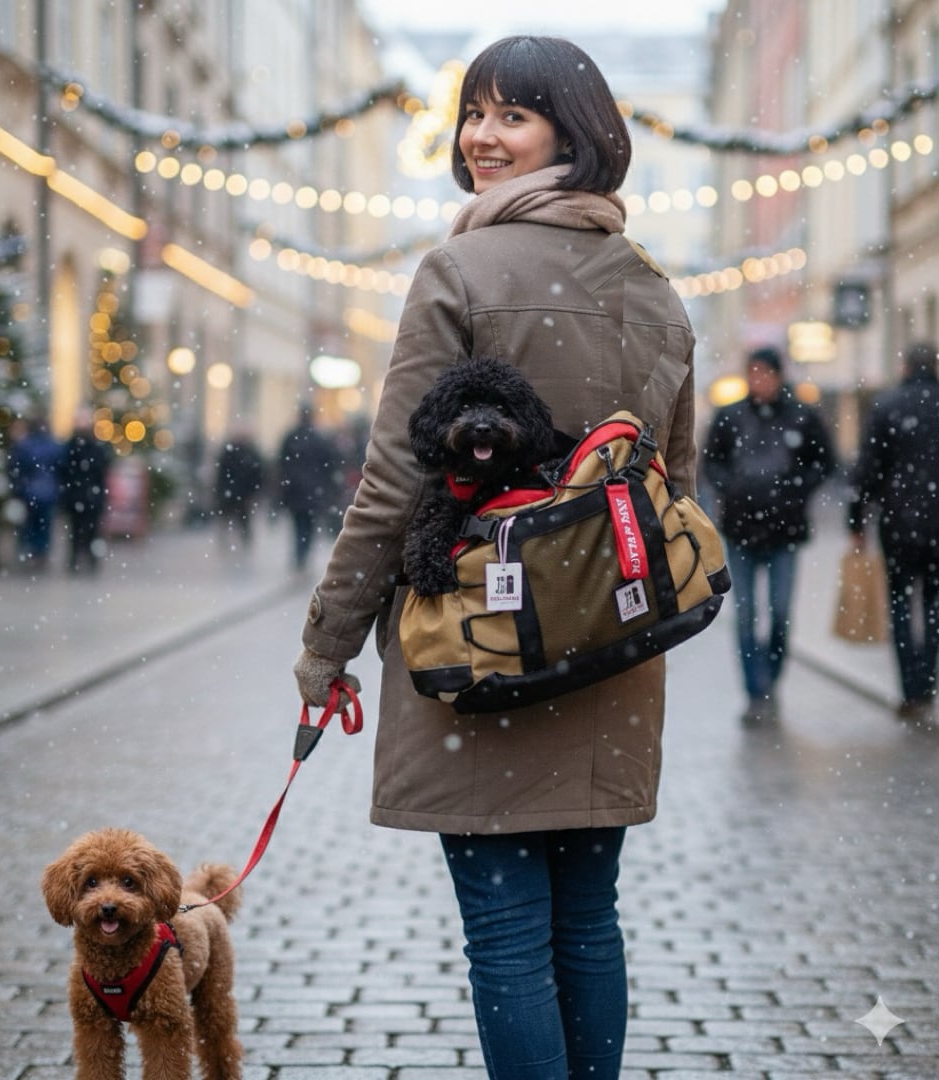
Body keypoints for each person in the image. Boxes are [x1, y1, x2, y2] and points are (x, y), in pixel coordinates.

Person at [291, 36, 697, 1080]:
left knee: (509, 935)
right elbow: (671, 485)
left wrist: (325, 650)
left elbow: (391, 487)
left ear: (576, 131)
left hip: (478, 644)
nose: (481, 135)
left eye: (513, 114)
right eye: (473, 113)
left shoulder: (459, 268)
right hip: (609, 643)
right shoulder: (652, 286)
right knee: (586, 922)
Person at [702, 345, 834, 725]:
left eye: (764, 373)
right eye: (752, 373)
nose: (758, 380)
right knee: (745, 616)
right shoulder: (730, 417)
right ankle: (754, 692)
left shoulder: (801, 416)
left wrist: (796, 489)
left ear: (778, 375)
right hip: (741, 530)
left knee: (780, 614)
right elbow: (712, 461)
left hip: (784, 531)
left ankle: (771, 680)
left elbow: (825, 462)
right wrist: (730, 487)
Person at [847, 341, 939, 719]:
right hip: (937, 523)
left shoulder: (886, 406)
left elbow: (867, 469)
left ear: (904, 367)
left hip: (898, 522)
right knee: (933, 604)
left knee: (900, 604)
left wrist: (856, 520)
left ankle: (910, 690)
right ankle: (927, 680)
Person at [275, 404, 341, 570]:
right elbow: (329, 465)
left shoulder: (291, 437)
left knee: (299, 524)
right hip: (311, 491)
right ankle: (302, 553)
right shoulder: (317, 438)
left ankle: (300, 554)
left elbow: (282, 464)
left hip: (297, 490)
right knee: (308, 525)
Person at [57, 410, 113, 574]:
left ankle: (86, 560)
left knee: (89, 530)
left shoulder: (87, 448)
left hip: (86, 497)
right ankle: (79, 560)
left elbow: (101, 472)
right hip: (81, 497)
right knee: (79, 530)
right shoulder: (74, 447)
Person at [8, 417, 63, 569]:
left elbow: (16, 468)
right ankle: (41, 552)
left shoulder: (25, 445)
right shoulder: (54, 446)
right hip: (48, 491)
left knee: (29, 523)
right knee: (44, 524)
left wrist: (18, 488)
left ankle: (29, 550)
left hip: (29, 491)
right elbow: (60, 467)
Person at [213, 429, 266, 546]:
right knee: (230, 516)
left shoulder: (250, 453)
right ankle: (236, 538)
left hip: (242, 491)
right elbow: (221, 473)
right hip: (233, 490)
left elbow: (258, 474)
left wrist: (254, 490)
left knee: (242, 517)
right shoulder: (234, 452)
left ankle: (243, 538)